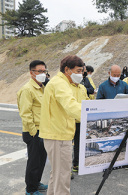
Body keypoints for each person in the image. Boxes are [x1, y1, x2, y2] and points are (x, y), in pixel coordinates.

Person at [39, 55, 83, 195]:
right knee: (62, 177)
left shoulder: (61, 82)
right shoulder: (60, 84)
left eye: (82, 71)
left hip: (58, 134)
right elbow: (71, 106)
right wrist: (93, 115)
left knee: (57, 176)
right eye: (78, 70)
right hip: (58, 136)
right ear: (67, 69)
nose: (80, 74)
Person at [17, 60, 48, 195]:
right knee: (34, 162)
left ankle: (37, 182)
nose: (43, 74)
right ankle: (30, 189)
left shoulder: (43, 87)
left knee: (41, 160)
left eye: (44, 71)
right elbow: (25, 113)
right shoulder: (27, 90)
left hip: (44, 130)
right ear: (31, 73)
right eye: (39, 71)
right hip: (33, 132)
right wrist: (33, 132)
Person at [71, 72, 90, 173]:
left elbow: (86, 100)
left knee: (79, 144)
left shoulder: (83, 87)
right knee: (67, 146)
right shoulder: (66, 87)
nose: (80, 75)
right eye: (77, 72)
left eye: (81, 73)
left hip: (81, 121)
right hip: (69, 121)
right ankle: (65, 169)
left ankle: (76, 164)